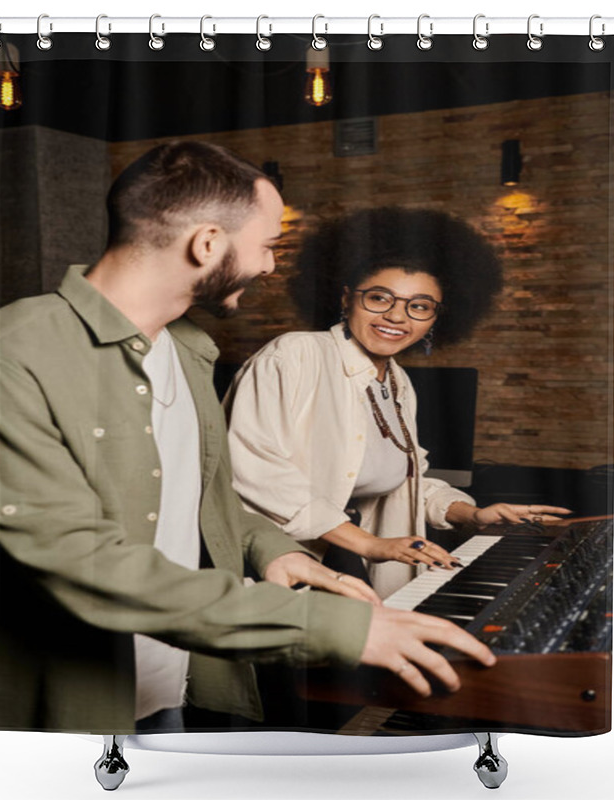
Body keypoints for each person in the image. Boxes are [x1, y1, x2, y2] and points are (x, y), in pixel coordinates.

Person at [0, 143, 496, 736]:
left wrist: (280, 553)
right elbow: (77, 562)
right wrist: (329, 626)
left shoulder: (188, 350)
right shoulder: (8, 353)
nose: (272, 266)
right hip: (67, 711)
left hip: (165, 683)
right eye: (268, 245)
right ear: (208, 243)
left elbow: (212, 500)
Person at [226, 207, 570, 599]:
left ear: (434, 319)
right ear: (346, 300)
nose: (396, 316)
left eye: (419, 306)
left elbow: (406, 483)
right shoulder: (294, 355)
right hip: (275, 561)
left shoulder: (399, 383)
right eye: (379, 298)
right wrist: (370, 545)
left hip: (346, 559)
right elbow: (254, 470)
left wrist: (472, 515)